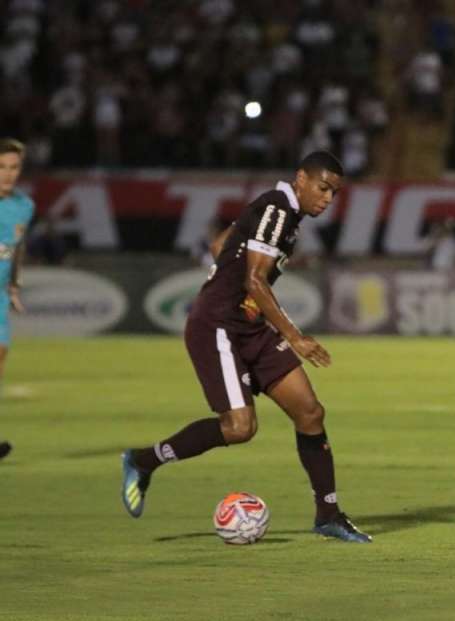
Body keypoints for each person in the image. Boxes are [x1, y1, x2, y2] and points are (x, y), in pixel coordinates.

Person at [120, 151, 371, 542]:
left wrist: (223, 266)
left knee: (310, 412)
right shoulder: (278, 209)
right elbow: (255, 281)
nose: (327, 199)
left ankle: (328, 515)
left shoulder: (280, 213)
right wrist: (294, 336)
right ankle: (143, 460)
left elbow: (225, 241)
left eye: (334, 193)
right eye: (323, 188)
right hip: (218, 325)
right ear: (300, 178)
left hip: (250, 326)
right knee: (240, 427)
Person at [0, 139, 35, 461]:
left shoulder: (24, 206)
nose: (8, 174)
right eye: (2, 167)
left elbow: (18, 248)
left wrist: (13, 286)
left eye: (14, 167)